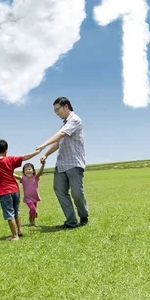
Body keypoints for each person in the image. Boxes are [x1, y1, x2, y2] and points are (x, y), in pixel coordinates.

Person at [36, 97, 89, 229]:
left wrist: (43, 144)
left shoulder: (75, 120)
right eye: (55, 111)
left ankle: (83, 216)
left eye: (57, 110)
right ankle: (71, 221)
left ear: (66, 106)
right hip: (61, 164)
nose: (56, 113)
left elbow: (60, 135)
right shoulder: (64, 124)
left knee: (77, 193)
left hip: (74, 163)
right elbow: (58, 143)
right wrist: (46, 154)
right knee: (60, 191)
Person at [14, 159, 46, 226]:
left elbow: (40, 172)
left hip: (35, 197)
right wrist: (8, 170)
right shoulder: (23, 178)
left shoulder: (35, 177)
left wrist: (43, 164)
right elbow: (15, 176)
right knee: (33, 209)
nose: (27, 171)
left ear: (33, 170)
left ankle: (32, 220)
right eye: (26, 170)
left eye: (29, 169)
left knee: (33, 209)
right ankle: (32, 218)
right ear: (24, 172)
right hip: (28, 198)